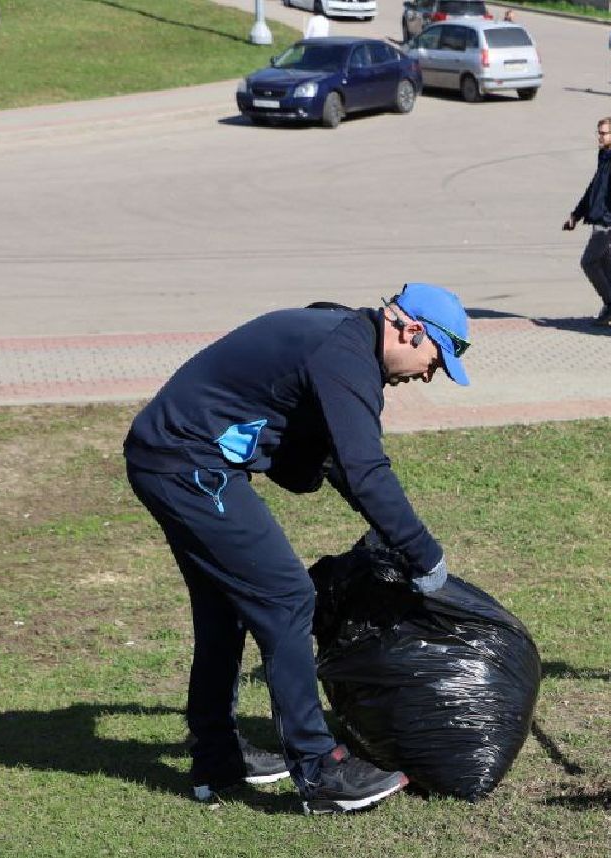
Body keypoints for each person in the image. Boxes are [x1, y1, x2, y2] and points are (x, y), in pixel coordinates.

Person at [123, 284, 474, 814]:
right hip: (186, 464)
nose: (427, 375)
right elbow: (365, 468)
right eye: (435, 361)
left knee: (226, 606)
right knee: (287, 597)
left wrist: (395, 538)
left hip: (173, 457)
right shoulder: (345, 354)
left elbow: (333, 461)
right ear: (412, 330)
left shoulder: (342, 337)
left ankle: (217, 758)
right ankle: (319, 770)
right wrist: (423, 553)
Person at [562, 116, 611, 326]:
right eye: (598, 132)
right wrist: (576, 214)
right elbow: (594, 187)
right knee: (606, 263)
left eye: (603, 133)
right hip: (600, 217)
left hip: (607, 221)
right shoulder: (606, 155)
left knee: (588, 262)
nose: (599, 136)